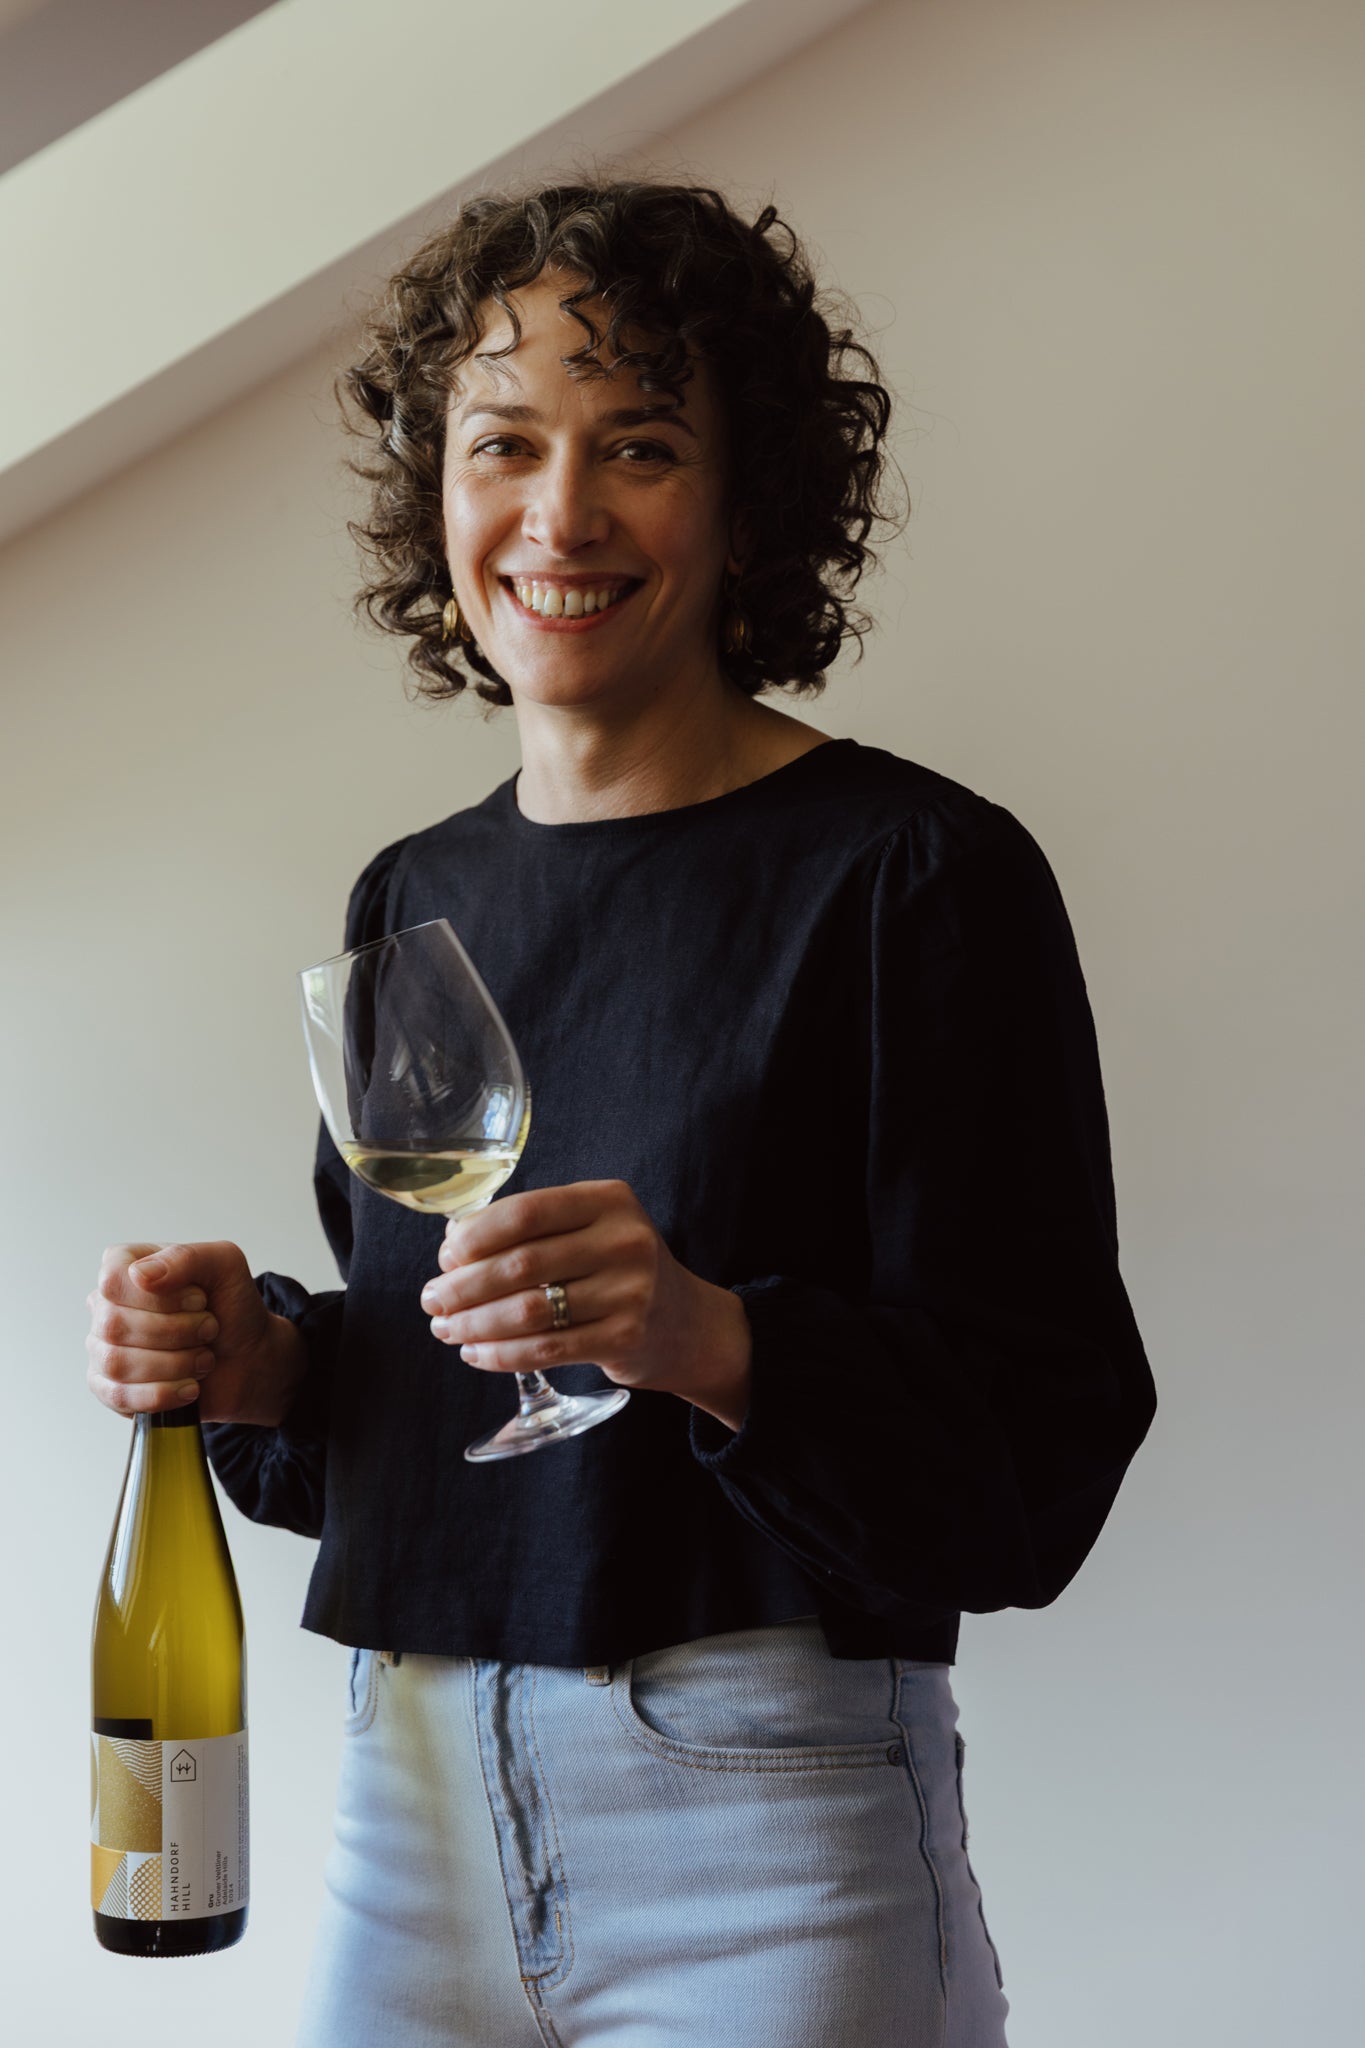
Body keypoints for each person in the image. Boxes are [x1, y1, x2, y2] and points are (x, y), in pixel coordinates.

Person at [85, 179, 1156, 2046]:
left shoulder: (911, 874)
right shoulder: (412, 895)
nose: (560, 514)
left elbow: (1040, 1462)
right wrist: (268, 1372)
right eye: (503, 445)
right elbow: (442, 1407)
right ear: (437, 494)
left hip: (763, 1826)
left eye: (640, 446)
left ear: (748, 503)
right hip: (405, 1813)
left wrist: (709, 1339)